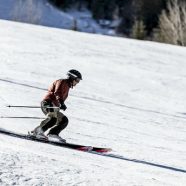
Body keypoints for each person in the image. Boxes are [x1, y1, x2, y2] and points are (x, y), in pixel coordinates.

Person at [31, 69, 82, 142]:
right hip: (48, 103)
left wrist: (60, 104)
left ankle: (53, 133)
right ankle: (37, 132)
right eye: (77, 80)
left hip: (55, 106)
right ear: (72, 77)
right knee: (52, 119)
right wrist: (62, 103)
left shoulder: (67, 86)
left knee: (64, 120)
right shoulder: (62, 82)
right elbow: (57, 92)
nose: (77, 82)